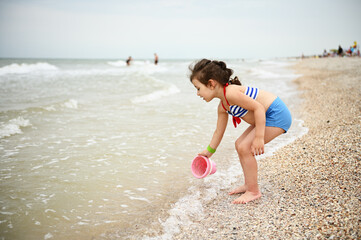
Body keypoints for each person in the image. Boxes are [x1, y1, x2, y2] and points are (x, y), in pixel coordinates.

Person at [189, 59, 292, 204]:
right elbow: (218, 131)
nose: (198, 93)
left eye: (198, 88)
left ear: (211, 84)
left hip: (276, 114)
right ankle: (248, 184)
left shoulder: (231, 93)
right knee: (239, 144)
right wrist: (209, 151)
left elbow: (259, 108)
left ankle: (254, 191)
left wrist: (259, 137)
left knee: (245, 147)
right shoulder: (223, 106)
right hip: (265, 116)